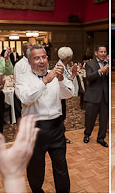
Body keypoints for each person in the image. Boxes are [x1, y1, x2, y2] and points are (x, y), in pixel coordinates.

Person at [15, 44, 74, 192]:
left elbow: (69, 94)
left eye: (43, 57)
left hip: (56, 128)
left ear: (47, 58)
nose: (41, 61)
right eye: (36, 58)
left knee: (61, 166)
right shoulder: (22, 79)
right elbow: (26, 98)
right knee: (36, 167)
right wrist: (45, 81)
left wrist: (60, 80)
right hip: (34, 130)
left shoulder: (56, 75)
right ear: (29, 61)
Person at [83, 46, 110, 147]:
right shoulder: (90, 63)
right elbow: (89, 77)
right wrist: (100, 71)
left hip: (105, 96)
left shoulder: (108, 64)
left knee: (104, 119)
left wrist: (108, 72)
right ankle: (87, 134)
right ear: (96, 53)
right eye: (101, 52)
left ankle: (101, 138)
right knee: (90, 118)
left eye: (104, 52)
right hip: (93, 96)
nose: (103, 54)